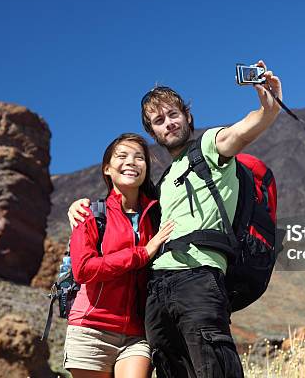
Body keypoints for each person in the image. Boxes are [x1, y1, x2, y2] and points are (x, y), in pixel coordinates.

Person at [68, 60, 282, 378]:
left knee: (214, 367)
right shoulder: (163, 183)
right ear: (152, 132)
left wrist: (269, 109)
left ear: (186, 117)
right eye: (158, 120)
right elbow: (122, 210)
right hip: (156, 292)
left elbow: (242, 130)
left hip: (198, 278)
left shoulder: (210, 148)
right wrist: (78, 205)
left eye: (173, 115)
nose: (168, 123)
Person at [64, 133, 175, 378]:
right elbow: (83, 270)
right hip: (92, 328)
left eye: (139, 158)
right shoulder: (90, 213)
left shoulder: (158, 213)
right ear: (107, 168)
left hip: (137, 332)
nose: (131, 162)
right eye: (122, 156)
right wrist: (142, 253)